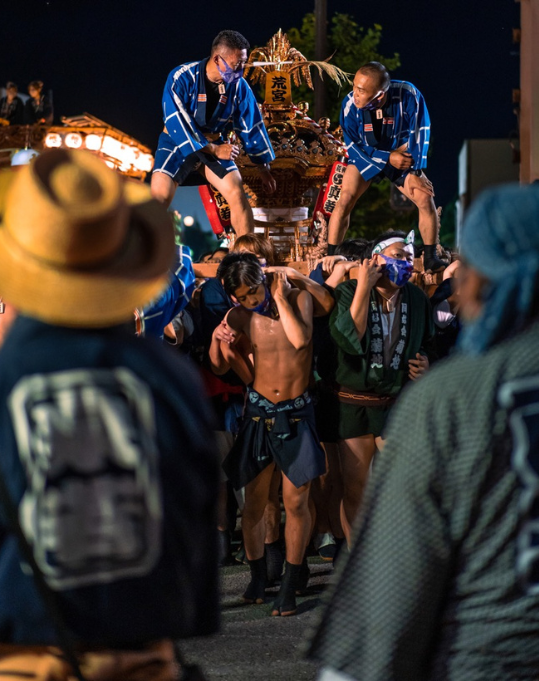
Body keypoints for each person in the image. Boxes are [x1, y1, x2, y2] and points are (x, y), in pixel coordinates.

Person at [0, 150, 219, 679]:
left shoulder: (1, 382)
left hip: (28, 654)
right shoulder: (170, 377)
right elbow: (196, 504)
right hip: (143, 651)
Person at [310, 184, 539, 680]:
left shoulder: (456, 396)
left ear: (478, 281)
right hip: (359, 403)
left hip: (492, 654)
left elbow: (395, 581)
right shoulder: (358, 294)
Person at [209, 254, 321, 616]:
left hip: (296, 412)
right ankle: (257, 577)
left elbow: (301, 340)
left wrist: (282, 295)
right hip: (258, 412)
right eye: (243, 297)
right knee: (254, 504)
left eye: (255, 292)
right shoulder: (239, 316)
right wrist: (217, 338)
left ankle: (289, 583)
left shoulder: (298, 299)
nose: (253, 301)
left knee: (296, 501)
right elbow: (219, 364)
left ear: (263, 280)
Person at [328, 233, 434, 545]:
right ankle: (358, 561)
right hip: (355, 402)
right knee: (355, 488)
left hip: (396, 402)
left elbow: (430, 344)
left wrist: (427, 363)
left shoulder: (417, 298)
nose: (406, 263)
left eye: (409, 257)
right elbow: (349, 339)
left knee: (405, 486)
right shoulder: (348, 292)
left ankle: (397, 556)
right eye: (399, 255)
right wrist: (363, 286)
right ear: (375, 258)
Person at [149, 30, 275, 241]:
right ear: (218, 59)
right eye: (237, 64)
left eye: (244, 64)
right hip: (177, 141)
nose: (242, 71)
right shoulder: (181, 77)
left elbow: (251, 126)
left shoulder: (239, 87)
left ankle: (248, 255)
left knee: (236, 192)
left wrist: (264, 168)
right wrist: (215, 149)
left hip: (215, 140)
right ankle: (148, 261)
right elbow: (176, 121)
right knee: (158, 199)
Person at [322, 62, 436, 254]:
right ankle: (331, 255)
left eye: (361, 90)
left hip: (401, 155)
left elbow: (420, 132)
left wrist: (416, 170)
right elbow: (353, 146)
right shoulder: (350, 104)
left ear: (380, 94)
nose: (355, 94)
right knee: (345, 199)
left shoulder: (409, 95)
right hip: (366, 157)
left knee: (425, 197)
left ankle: (431, 257)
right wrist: (387, 158)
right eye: (354, 87)